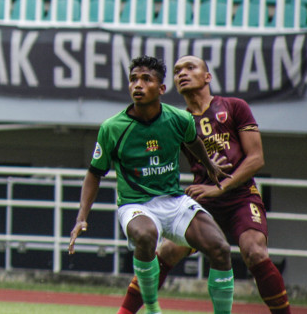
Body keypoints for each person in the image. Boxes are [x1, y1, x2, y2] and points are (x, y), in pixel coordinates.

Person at [117, 55, 291, 314]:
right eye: (177, 71)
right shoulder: (176, 120)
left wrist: (221, 186)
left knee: (254, 252)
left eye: (190, 67)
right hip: (203, 199)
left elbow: (256, 159)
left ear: (207, 76)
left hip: (241, 197)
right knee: (165, 254)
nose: (182, 73)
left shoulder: (234, 107)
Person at [69, 55, 235, 314]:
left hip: (174, 200)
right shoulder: (112, 128)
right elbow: (94, 173)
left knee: (221, 248)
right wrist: (81, 217)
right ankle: (153, 309)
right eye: (134, 79)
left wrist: (209, 165)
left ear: (161, 89)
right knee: (146, 236)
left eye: (146, 79)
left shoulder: (179, 119)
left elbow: (192, 141)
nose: (138, 84)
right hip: (135, 205)